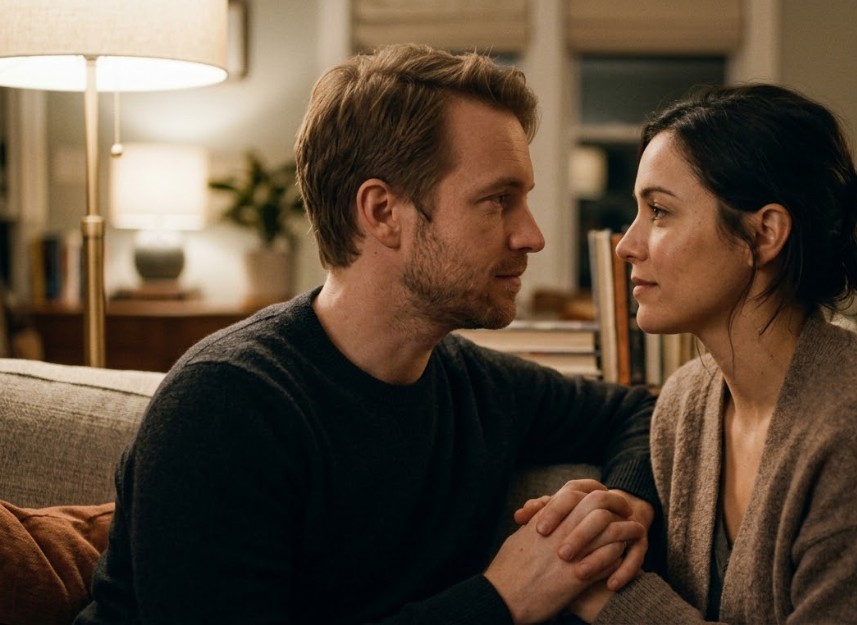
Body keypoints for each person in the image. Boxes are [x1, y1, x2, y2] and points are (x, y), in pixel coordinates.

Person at [75, 44, 657, 625]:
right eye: (498, 201)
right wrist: (499, 599)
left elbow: (638, 411)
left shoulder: (476, 384)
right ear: (381, 212)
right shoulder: (227, 407)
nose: (532, 236)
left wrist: (623, 503)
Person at [557, 84, 857, 623]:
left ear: (764, 233)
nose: (625, 245)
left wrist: (617, 603)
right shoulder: (684, 407)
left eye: (659, 211)